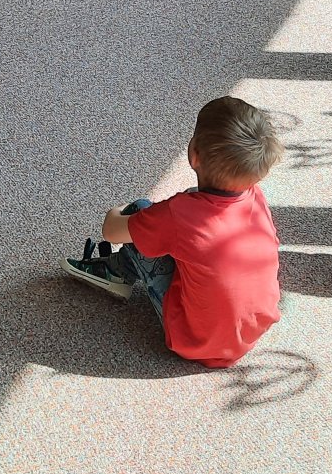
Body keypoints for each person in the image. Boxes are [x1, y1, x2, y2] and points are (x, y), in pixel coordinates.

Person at [61, 96, 282, 368]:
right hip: (246, 337)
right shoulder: (256, 198)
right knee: (176, 230)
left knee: (141, 211)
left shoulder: (179, 214)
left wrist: (124, 210)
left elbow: (111, 231)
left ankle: (115, 272)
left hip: (193, 341)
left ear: (194, 155)